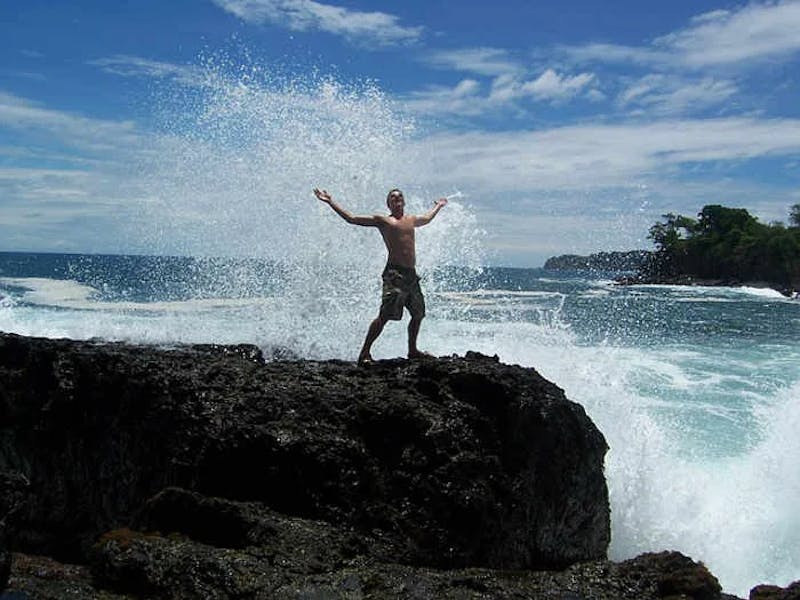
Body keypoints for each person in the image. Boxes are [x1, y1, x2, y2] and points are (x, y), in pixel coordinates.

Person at [313, 187, 448, 364]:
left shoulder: (412, 220)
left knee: (418, 313)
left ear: (404, 202)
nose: (397, 199)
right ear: (389, 204)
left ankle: (413, 350)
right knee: (385, 315)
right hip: (394, 274)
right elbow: (351, 218)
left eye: (400, 196)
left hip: (411, 275)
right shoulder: (383, 220)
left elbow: (428, 218)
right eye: (393, 197)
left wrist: (438, 206)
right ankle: (364, 353)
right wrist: (330, 201)